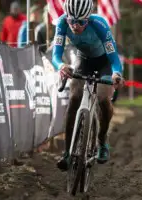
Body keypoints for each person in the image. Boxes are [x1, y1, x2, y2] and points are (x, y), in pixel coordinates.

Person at [52, 0, 125, 171]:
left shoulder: (99, 24)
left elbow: (114, 58)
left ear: (88, 18)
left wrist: (117, 74)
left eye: (81, 22)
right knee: (74, 99)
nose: (76, 26)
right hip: (82, 59)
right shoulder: (62, 22)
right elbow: (56, 55)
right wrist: (61, 66)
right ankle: (68, 153)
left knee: (103, 99)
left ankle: (102, 141)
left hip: (104, 62)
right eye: (72, 21)